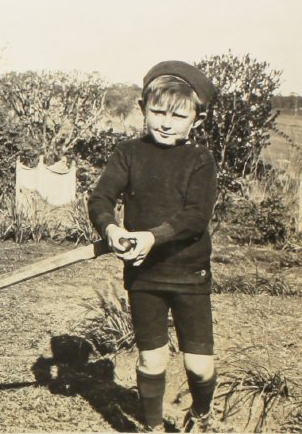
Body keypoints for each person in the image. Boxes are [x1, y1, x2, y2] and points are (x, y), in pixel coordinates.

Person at [88, 61, 219, 432]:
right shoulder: (128, 153)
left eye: (178, 116)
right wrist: (111, 227)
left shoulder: (199, 160)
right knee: (151, 362)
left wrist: (150, 236)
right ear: (143, 108)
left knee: (199, 365)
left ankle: (202, 413)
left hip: (189, 274)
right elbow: (101, 197)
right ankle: (150, 426)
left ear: (196, 119)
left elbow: (195, 217)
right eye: (158, 112)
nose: (166, 122)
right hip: (144, 274)